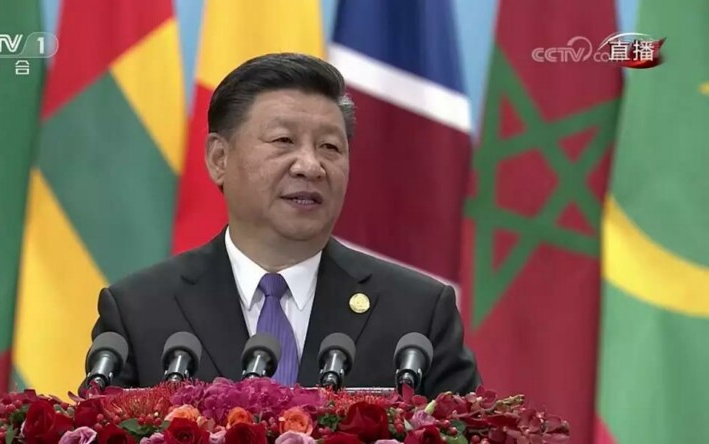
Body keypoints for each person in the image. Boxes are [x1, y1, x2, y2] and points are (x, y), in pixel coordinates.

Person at [89, 52, 480, 397]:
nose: (310, 166)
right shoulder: (139, 311)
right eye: (283, 141)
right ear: (219, 158)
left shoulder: (417, 313)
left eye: (330, 147)